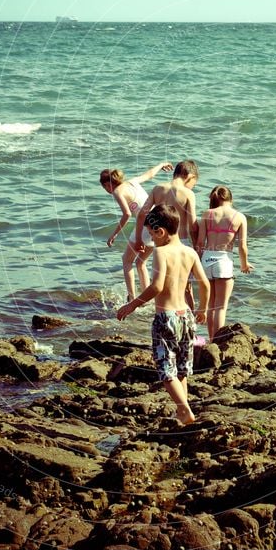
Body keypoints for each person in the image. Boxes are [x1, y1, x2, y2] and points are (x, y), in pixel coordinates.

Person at [116, 203, 209, 425]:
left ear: (161, 232)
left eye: (151, 234)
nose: (150, 239)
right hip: (186, 316)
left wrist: (132, 305)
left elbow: (156, 286)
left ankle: (184, 409)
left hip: (166, 317)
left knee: (166, 369)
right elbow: (204, 283)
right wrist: (203, 308)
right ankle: (183, 410)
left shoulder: (161, 252)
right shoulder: (190, 252)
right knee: (182, 369)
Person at [100, 162, 172, 300]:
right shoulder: (132, 182)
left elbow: (127, 214)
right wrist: (161, 164)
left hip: (146, 226)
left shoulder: (117, 191)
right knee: (140, 262)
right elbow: (150, 175)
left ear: (107, 184)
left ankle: (132, 298)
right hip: (158, 223)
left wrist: (114, 234)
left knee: (126, 261)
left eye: (104, 187)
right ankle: (146, 298)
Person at [134, 160, 199, 309]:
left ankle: (163, 312)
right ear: (188, 176)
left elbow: (142, 214)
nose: (193, 186)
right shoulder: (187, 193)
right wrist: (196, 247)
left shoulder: (158, 188)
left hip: (160, 241)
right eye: (194, 183)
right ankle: (190, 320)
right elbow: (193, 226)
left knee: (162, 281)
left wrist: (139, 239)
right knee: (185, 285)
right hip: (180, 241)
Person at [196, 184, 253, 341]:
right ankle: (217, 342)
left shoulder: (207, 214)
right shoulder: (239, 217)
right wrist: (244, 264)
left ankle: (210, 339)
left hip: (207, 258)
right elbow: (242, 246)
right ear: (230, 198)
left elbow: (200, 242)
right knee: (220, 307)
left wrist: (197, 263)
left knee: (210, 306)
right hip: (224, 260)